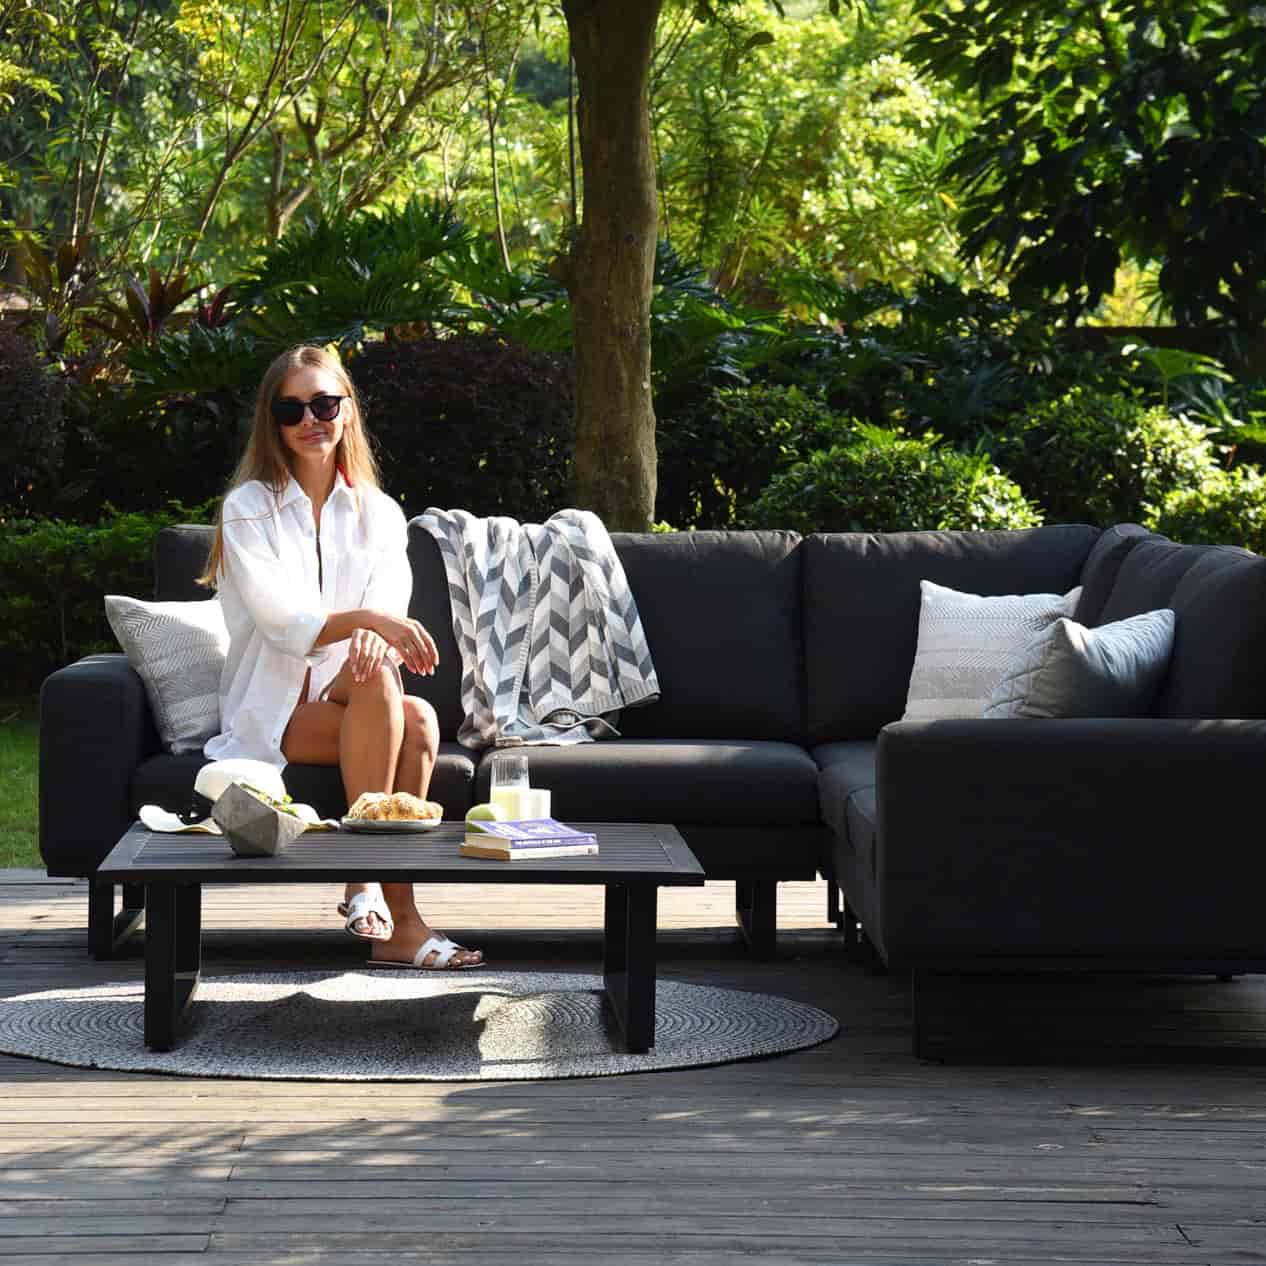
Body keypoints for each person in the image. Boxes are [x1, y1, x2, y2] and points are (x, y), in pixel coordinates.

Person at [199, 343, 483, 970]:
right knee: (414, 717)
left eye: (325, 403)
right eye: (292, 408)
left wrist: (376, 630)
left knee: (411, 710)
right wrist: (369, 623)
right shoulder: (248, 508)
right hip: (278, 711)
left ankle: (379, 906)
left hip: (349, 698)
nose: (310, 420)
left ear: (348, 411)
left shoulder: (379, 513)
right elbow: (282, 623)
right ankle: (383, 902)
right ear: (271, 422)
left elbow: (388, 604)